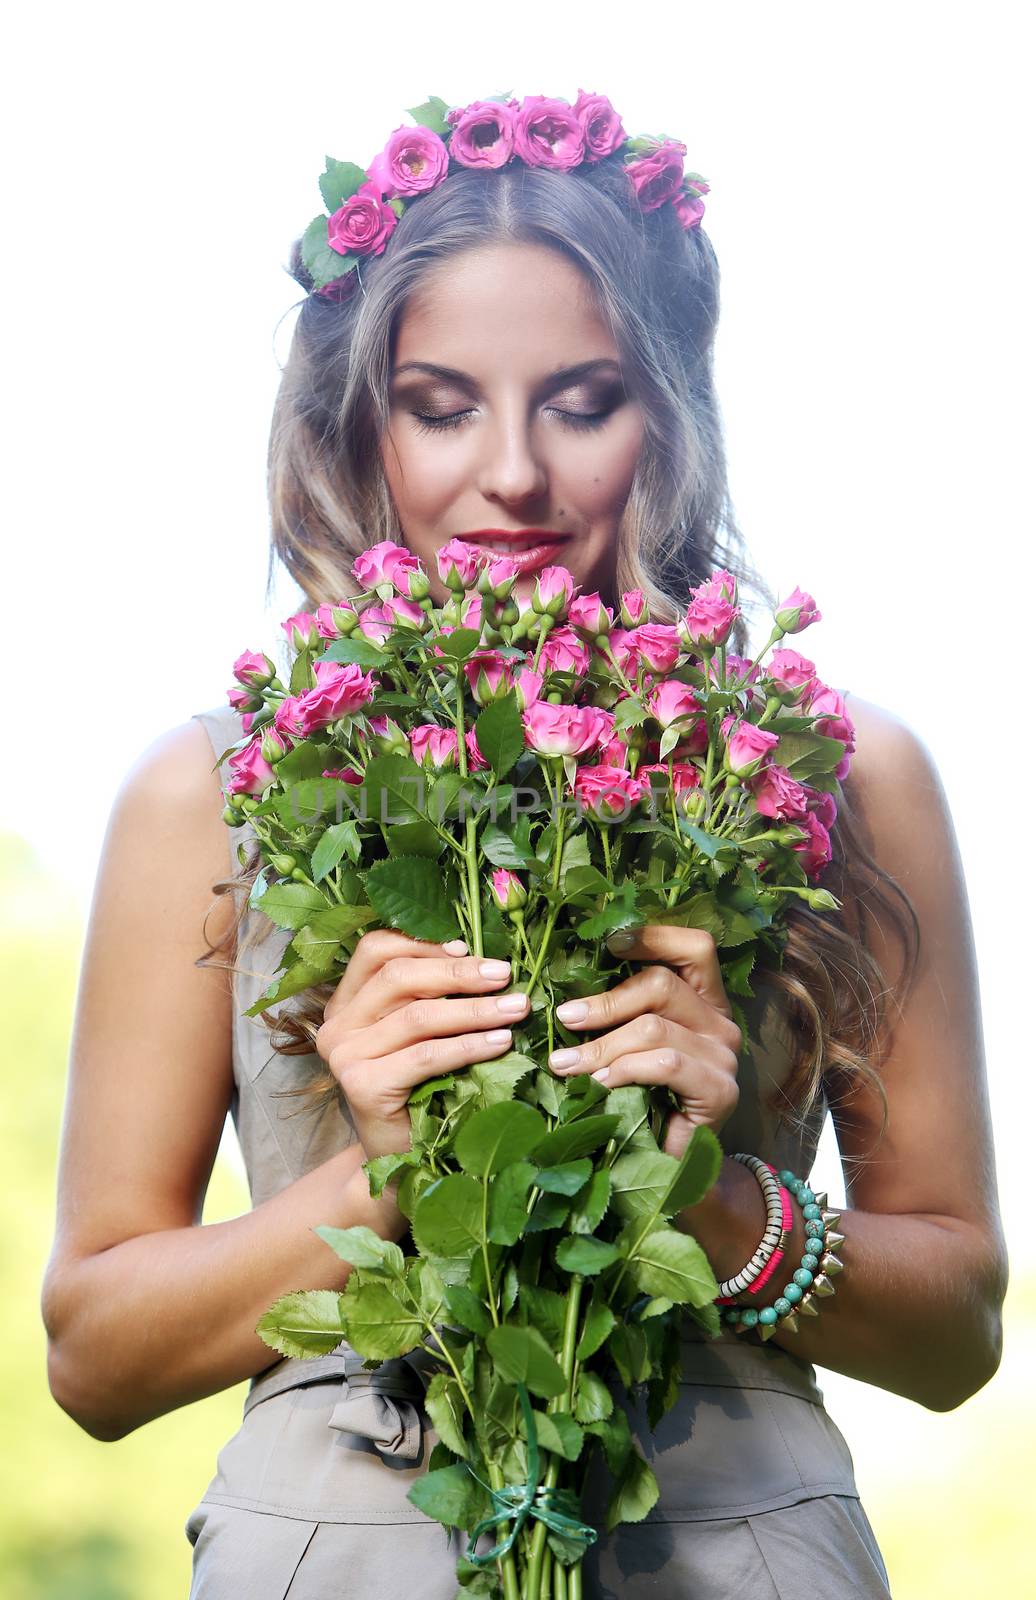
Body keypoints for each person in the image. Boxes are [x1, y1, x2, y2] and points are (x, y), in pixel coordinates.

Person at [41, 91, 1008, 1599]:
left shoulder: (842, 771)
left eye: (582, 398)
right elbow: (94, 1357)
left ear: (669, 410)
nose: (512, 474)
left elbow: (957, 1333)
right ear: (356, 415)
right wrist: (387, 1172)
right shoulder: (212, 793)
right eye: (440, 404)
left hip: (744, 1547)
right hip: (339, 1556)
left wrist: (709, 1204)